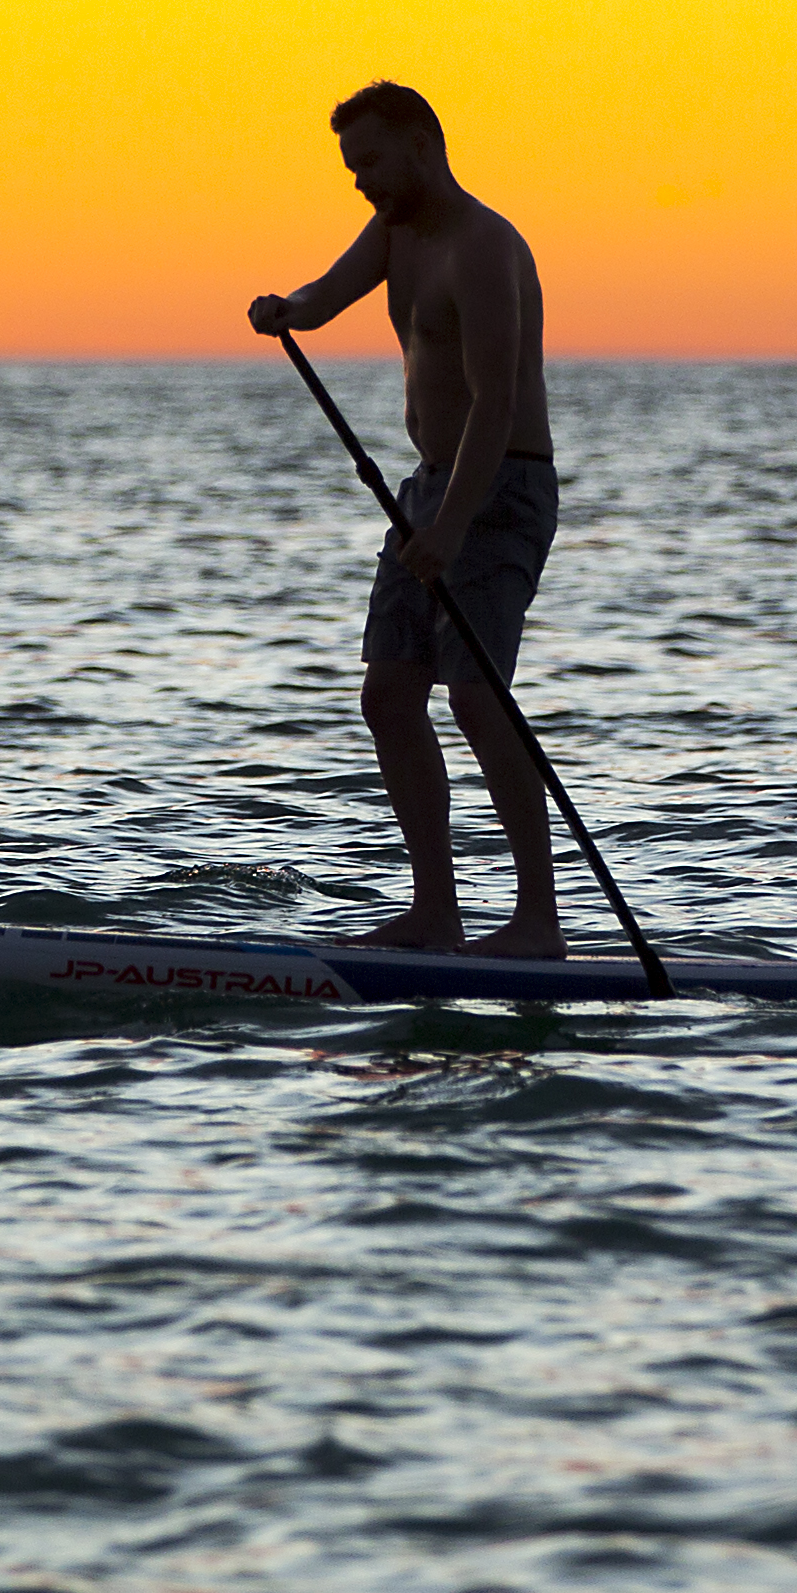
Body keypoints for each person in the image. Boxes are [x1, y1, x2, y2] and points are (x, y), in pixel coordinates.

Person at [246, 81, 563, 956]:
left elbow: (497, 406)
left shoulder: (484, 250)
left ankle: (538, 921)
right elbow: (327, 293)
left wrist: (456, 526)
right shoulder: (396, 232)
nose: (361, 181)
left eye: (373, 161)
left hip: (498, 493)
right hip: (425, 488)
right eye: (352, 167)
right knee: (389, 695)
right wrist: (286, 310)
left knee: (475, 697)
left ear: (424, 143)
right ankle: (437, 913)